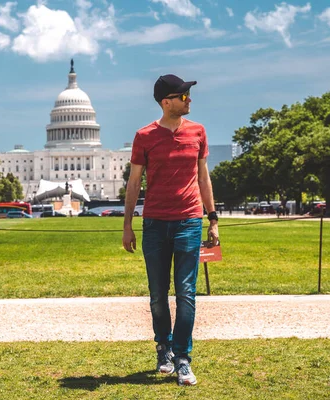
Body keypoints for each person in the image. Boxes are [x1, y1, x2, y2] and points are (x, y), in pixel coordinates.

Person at [122, 74, 219, 386]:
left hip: (189, 221)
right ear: (167, 102)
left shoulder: (198, 132)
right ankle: (163, 347)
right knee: (157, 295)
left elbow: (204, 178)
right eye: (183, 96)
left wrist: (213, 219)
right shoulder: (144, 136)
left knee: (187, 294)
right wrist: (127, 225)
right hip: (154, 223)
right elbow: (134, 183)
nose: (188, 99)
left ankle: (182, 357)